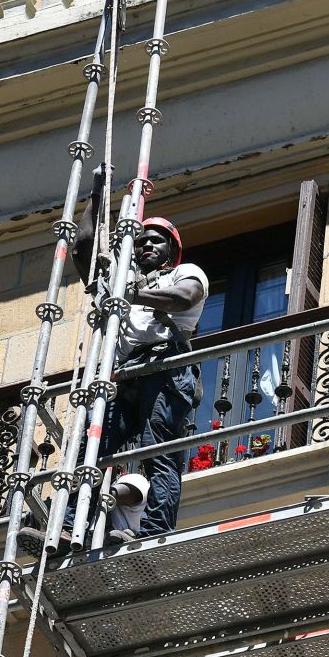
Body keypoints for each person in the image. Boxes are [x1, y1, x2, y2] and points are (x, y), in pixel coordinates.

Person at [100, 217, 206, 536]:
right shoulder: (121, 287)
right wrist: (96, 193)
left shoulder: (182, 273)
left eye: (156, 241)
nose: (147, 244)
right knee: (95, 448)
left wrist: (136, 295)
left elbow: (186, 296)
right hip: (126, 373)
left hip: (165, 365)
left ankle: (155, 528)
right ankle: (66, 524)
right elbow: (82, 250)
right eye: (141, 240)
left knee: (158, 448)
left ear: (172, 251)